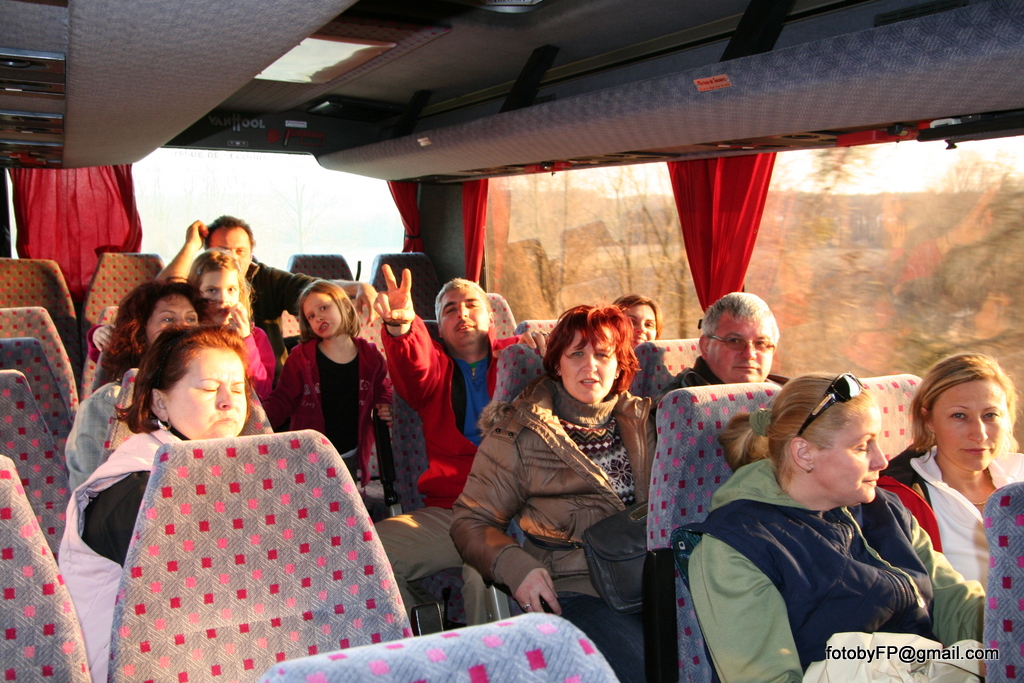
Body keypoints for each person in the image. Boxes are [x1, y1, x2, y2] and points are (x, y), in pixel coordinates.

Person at [688, 373, 985, 683]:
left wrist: (1008, 630)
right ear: (804, 453)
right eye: (862, 447)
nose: (882, 461)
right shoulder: (736, 548)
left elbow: (956, 607)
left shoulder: (886, 509)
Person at [451, 304, 655, 683]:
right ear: (557, 364)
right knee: (645, 669)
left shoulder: (647, 422)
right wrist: (517, 568)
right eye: (576, 354)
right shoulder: (519, 432)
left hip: (653, 580)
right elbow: (471, 521)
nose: (589, 365)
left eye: (603, 354)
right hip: (575, 588)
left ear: (619, 367)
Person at [59, 325, 252, 683]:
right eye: (209, 388)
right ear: (160, 403)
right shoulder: (137, 487)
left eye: (238, 389)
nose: (229, 401)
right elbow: (191, 599)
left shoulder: (214, 465)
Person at [371, 266, 538, 625]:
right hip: (453, 511)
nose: (461, 313)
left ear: (491, 318)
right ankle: (425, 636)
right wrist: (401, 328)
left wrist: (546, 349)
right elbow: (413, 366)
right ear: (439, 329)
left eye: (471, 305)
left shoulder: (521, 359)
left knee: (485, 574)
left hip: (519, 509)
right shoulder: (435, 369)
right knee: (367, 549)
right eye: (450, 309)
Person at [159, 216, 377, 368]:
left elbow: (312, 289)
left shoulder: (266, 279)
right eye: (222, 250)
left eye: (240, 251)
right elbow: (160, 296)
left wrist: (358, 287)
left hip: (269, 384)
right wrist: (190, 246)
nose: (233, 258)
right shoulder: (197, 287)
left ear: (251, 254)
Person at [883, 353, 1023, 584]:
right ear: (928, 420)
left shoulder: (1019, 475)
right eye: (959, 415)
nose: (979, 434)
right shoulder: (899, 497)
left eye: (990, 415)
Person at [66, 279, 205, 489]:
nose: (183, 327)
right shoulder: (109, 403)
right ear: (141, 332)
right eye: (168, 319)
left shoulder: (213, 394)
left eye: (191, 318)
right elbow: (91, 491)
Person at [263, 279, 392, 482]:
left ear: (344, 307)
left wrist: (384, 403)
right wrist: (257, 421)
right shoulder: (300, 358)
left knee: (344, 498)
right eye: (311, 316)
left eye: (324, 307)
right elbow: (283, 399)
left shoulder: (370, 356)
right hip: (308, 453)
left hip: (350, 451)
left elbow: (382, 388)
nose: (319, 317)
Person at [188, 248, 275, 399]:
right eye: (212, 290)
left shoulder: (256, 337)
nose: (223, 299)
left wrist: (245, 340)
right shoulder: (189, 336)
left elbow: (262, 391)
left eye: (231, 290)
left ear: (240, 292)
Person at [666, 291, 782, 390]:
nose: (749, 354)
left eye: (761, 343)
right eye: (734, 341)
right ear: (706, 346)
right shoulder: (680, 404)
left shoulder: (785, 398)